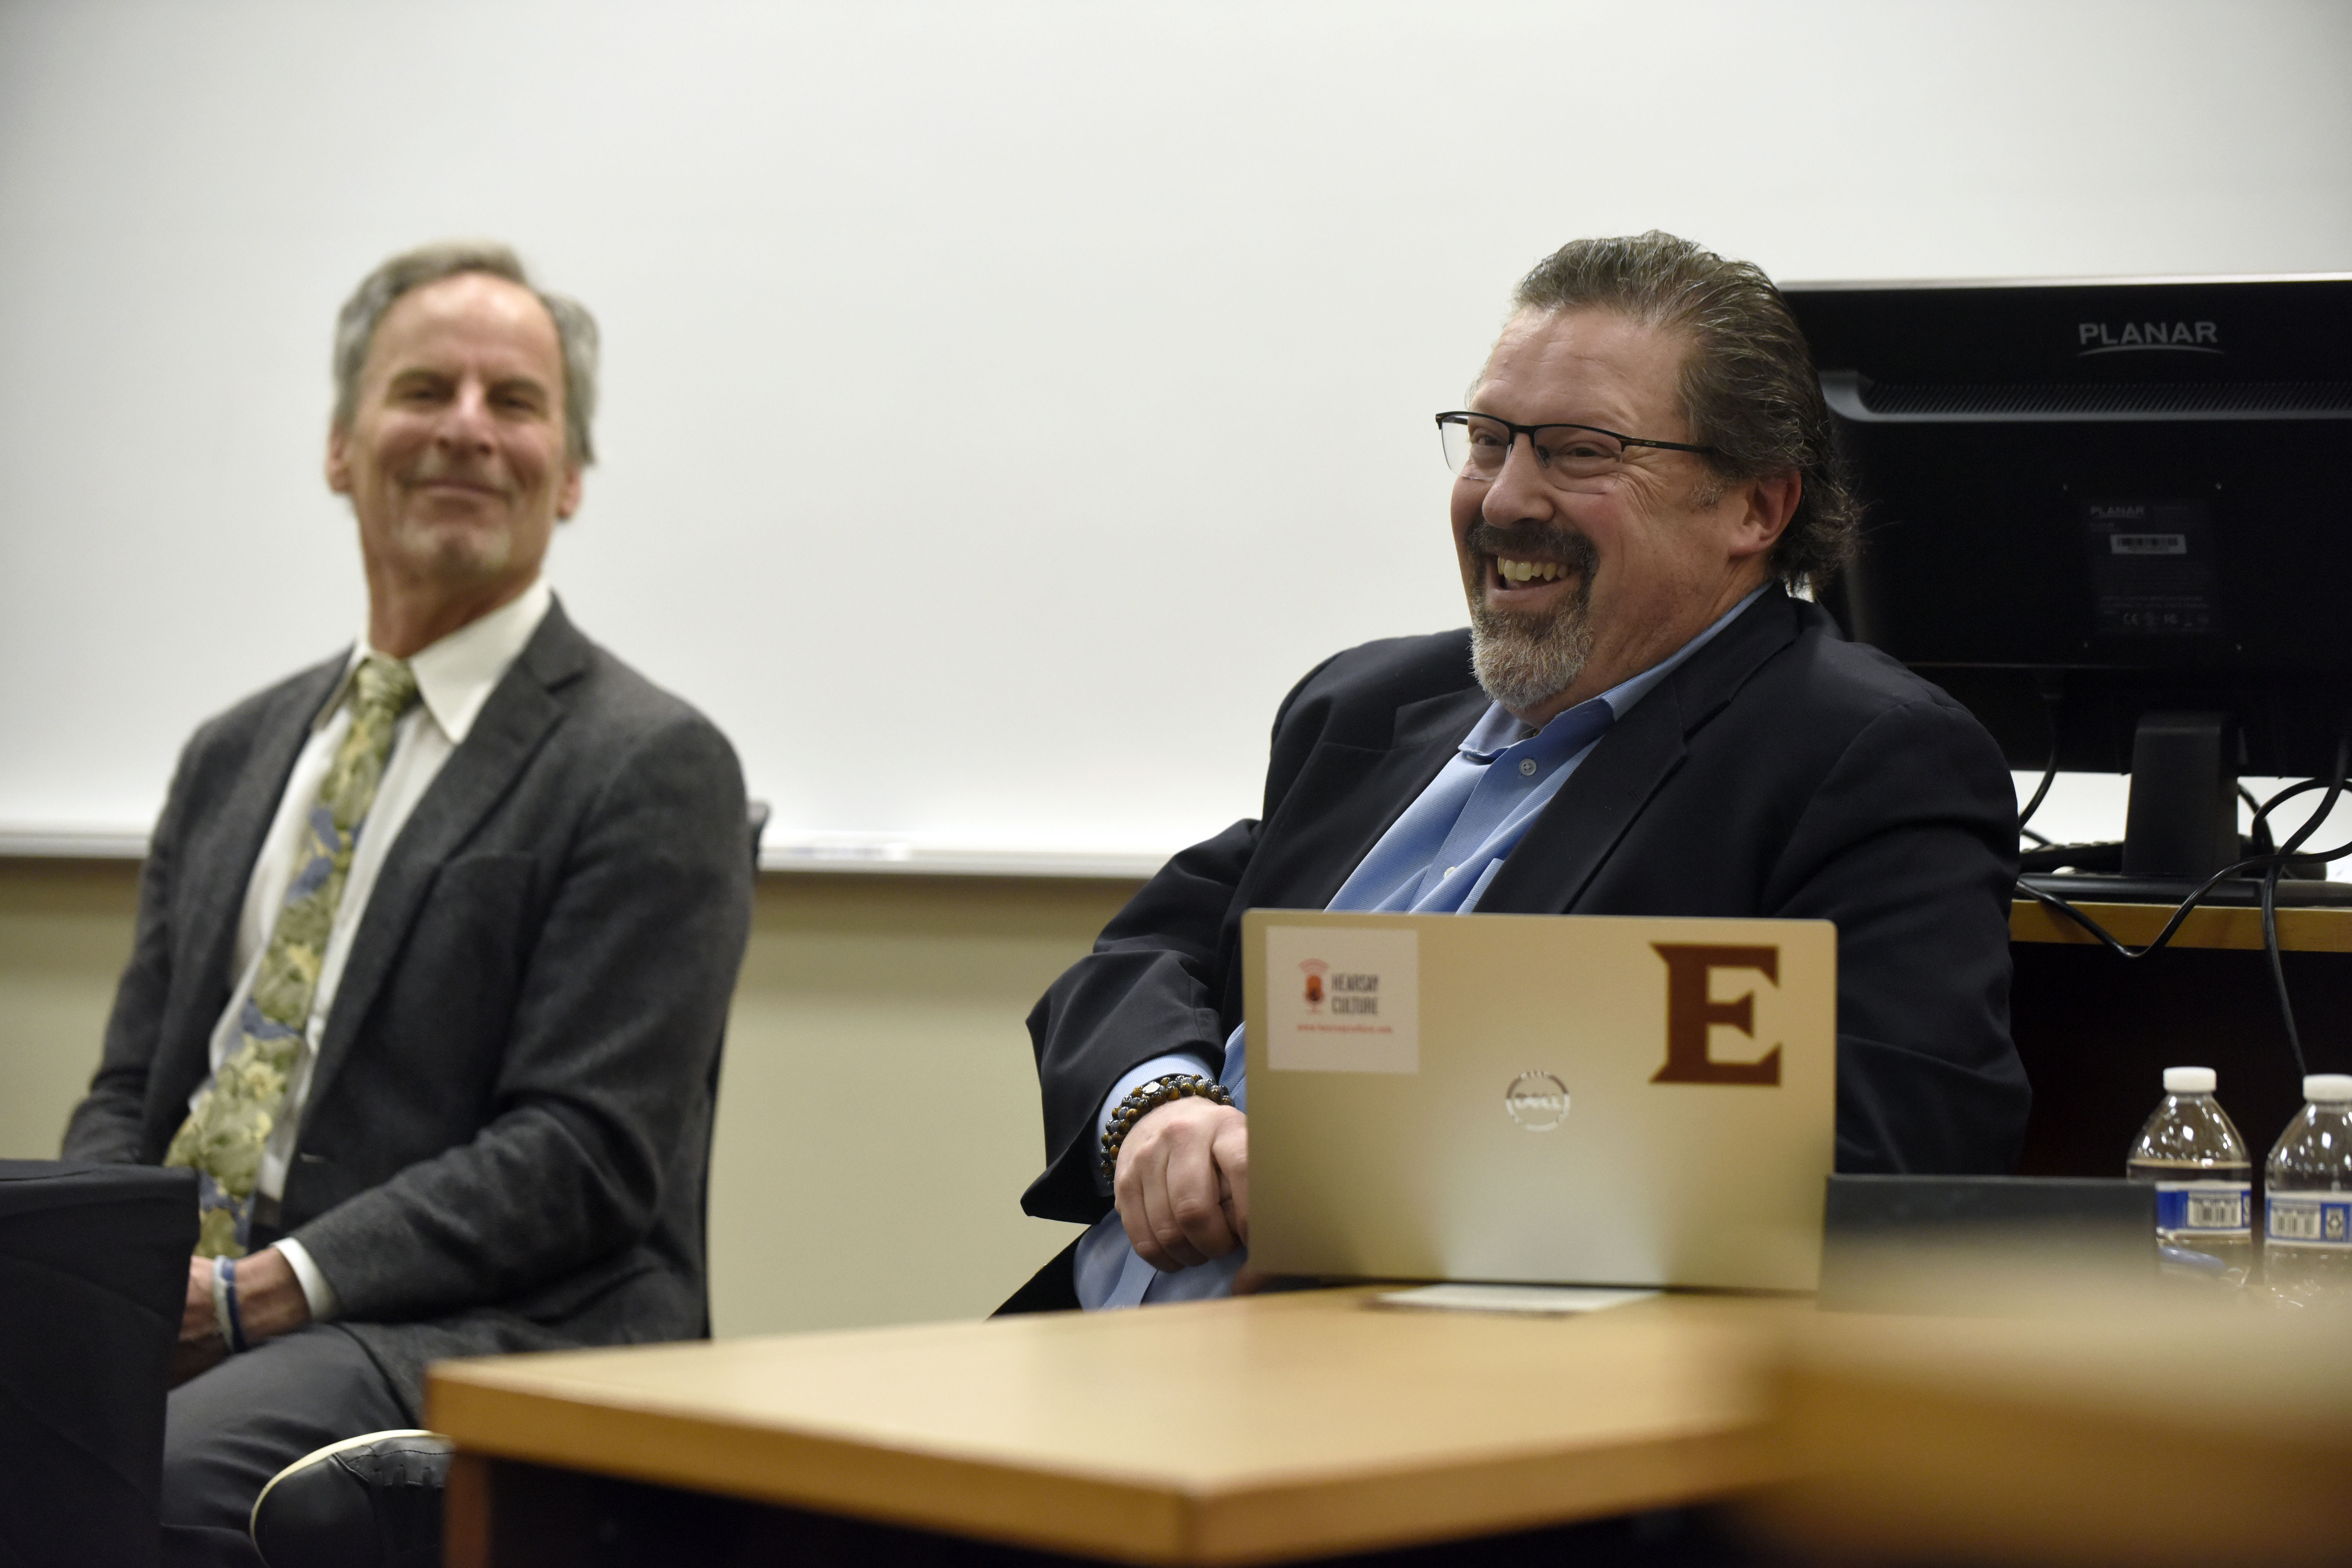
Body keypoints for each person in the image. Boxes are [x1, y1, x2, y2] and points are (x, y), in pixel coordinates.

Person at [1008, 231, 2030, 1314]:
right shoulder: (1360, 709)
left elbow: (1891, 1162)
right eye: (1488, 440)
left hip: (1426, 1390)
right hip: (1100, 1328)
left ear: (1753, 509)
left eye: (1579, 452)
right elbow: (1150, 949)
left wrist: (1366, 1196)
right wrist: (1159, 1103)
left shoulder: (1856, 758)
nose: (1502, 500)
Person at [61, 242, 754, 1563]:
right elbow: (132, 1086)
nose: (468, 431)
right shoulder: (233, 751)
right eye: (425, 389)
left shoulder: (649, 760)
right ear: (341, 447)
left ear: (573, 474)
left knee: (151, 1476)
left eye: (517, 402)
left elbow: (583, 1150)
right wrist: (88, 1287)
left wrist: (260, 1294)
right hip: (209, 1298)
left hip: (496, 1323)